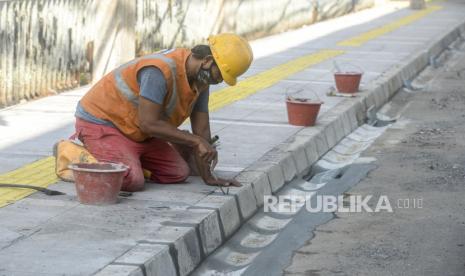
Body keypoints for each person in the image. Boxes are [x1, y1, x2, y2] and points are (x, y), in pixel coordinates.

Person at [72, 33, 253, 192]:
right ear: (206, 60)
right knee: (132, 180)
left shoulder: (201, 80)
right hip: (103, 123)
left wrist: (209, 177)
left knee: (179, 173)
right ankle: (76, 154)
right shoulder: (158, 71)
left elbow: (202, 129)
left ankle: (127, 158)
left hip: (138, 131)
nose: (219, 80)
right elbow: (149, 124)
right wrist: (194, 141)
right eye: (219, 74)